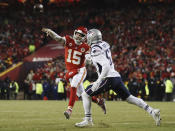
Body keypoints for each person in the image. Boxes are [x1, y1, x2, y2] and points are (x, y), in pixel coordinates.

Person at [75, 29, 161, 127]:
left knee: (85, 94)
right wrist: (90, 57)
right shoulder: (104, 44)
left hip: (107, 78)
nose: (86, 38)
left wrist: (98, 81)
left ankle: (88, 120)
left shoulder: (95, 49)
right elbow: (100, 58)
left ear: (92, 38)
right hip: (115, 77)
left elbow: (106, 65)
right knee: (129, 98)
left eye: (88, 37)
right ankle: (152, 111)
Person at [42, 27, 106, 119]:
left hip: (80, 70)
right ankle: (99, 101)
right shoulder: (68, 40)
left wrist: (89, 59)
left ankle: (69, 109)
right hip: (71, 71)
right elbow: (58, 38)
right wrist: (51, 32)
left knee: (74, 85)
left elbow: (88, 57)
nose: (78, 36)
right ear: (75, 33)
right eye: (78, 34)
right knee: (83, 94)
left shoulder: (85, 46)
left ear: (85, 37)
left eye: (81, 35)